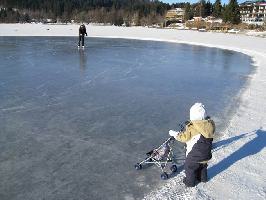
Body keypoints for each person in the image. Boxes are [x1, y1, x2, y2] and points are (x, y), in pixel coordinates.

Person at [169, 103, 215, 187]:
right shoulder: (209, 125)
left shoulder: (192, 127)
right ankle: (203, 178)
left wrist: (174, 134)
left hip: (194, 155)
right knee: (202, 165)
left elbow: (184, 138)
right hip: (206, 154)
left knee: (189, 167)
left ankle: (190, 182)